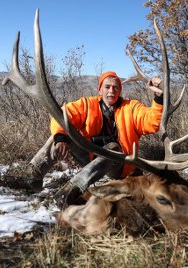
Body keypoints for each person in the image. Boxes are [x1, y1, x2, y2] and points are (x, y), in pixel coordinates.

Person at [30, 71, 163, 208]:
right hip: (90, 160)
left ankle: (71, 190)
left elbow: (152, 123)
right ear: (100, 89)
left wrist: (159, 98)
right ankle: (31, 176)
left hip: (118, 168)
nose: (111, 91)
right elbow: (62, 115)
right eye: (107, 87)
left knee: (113, 148)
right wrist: (60, 138)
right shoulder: (87, 105)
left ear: (119, 91)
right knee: (58, 135)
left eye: (115, 87)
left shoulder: (131, 108)